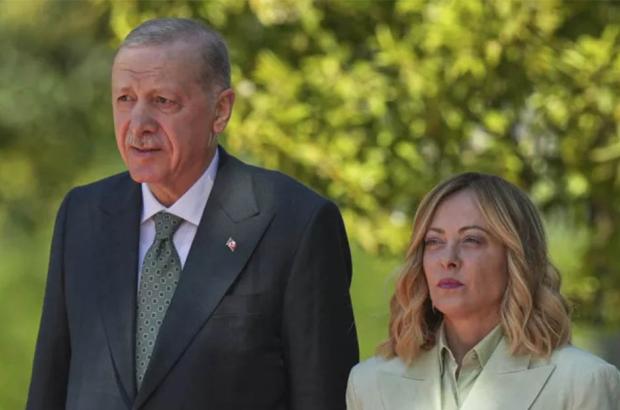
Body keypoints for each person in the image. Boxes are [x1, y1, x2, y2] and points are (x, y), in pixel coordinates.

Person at [27, 17, 358, 410]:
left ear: (221, 111)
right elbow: (49, 385)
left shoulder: (296, 224)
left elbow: (323, 396)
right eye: (125, 99)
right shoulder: (82, 215)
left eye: (163, 101)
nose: (138, 125)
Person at [346, 172, 620, 409]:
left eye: (471, 240)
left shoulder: (584, 381)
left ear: (517, 258)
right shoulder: (367, 384)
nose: (448, 259)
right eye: (434, 241)